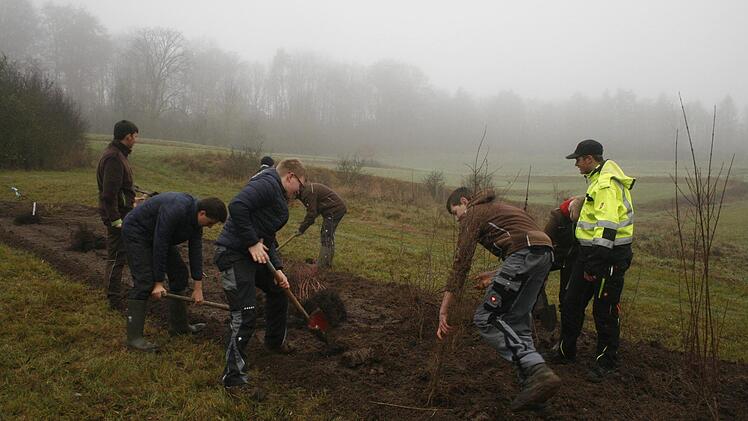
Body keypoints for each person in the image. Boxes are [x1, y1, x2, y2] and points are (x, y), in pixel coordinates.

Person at [437, 187, 561, 411]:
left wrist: (444, 309)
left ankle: (538, 371)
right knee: (518, 322)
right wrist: (496, 273)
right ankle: (535, 392)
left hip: (524, 254)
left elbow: (461, 265)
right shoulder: (499, 207)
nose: (458, 220)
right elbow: (526, 245)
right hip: (545, 254)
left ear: (464, 201)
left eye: (456, 213)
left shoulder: (473, 214)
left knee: (487, 318)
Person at [214, 158, 306, 392]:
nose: (299, 192)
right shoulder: (267, 183)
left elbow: (269, 237)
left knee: (278, 290)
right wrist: (252, 242)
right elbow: (236, 206)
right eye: (300, 185)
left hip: (253, 255)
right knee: (245, 314)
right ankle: (233, 379)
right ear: (290, 176)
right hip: (234, 254)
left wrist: (279, 270)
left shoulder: (276, 192)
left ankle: (274, 343)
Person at [554, 139, 635, 382]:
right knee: (571, 303)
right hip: (588, 254)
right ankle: (565, 351)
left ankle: (607, 363)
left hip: (608, 257)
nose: (576, 164)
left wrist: (595, 264)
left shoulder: (606, 185)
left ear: (590, 159)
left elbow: (607, 227)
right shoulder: (596, 181)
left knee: (605, 310)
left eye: (578, 159)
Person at [122, 193, 227, 352]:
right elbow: (160, 244)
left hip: (158, 236)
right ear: (202, 213)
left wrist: (198, 287)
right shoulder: (176, 209)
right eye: (210, 223)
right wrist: (158, 283)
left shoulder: (196, 222)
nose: (210, 226)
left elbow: (196, 251)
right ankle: (134, 339)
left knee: (179, 275)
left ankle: (179, 327)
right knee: (144, 282)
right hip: (138, 233)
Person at [97, 120, 138, 309]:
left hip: (124, 213)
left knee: (121, 255)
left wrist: (133, 199)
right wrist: (116, 220)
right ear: (127, 136)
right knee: (116, 257)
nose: (136, 140)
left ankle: (116, 295)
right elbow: (109, 194)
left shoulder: (118, 155)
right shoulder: (114, 158)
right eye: (135, 136)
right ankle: (113, 299)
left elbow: (121, 189)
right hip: (118, 217)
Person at [532, 195, 583, 330]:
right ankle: (538, 311)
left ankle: (566, 323)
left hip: (572, 260)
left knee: (567, 295)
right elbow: (545, 242)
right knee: (536, 278)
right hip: (555, 256)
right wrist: (544, 268)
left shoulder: (584, 213)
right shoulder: (557, 218)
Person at [295, 183, 347, 269]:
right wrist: (304, 225)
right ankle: (326, 262)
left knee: (326, 235)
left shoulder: (307, 193)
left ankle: (322, 265)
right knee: (328, 235)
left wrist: (301, 229)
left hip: (334, 209)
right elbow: (314, 210)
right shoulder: (306, 190)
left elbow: (311, 214)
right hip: (332, 209)